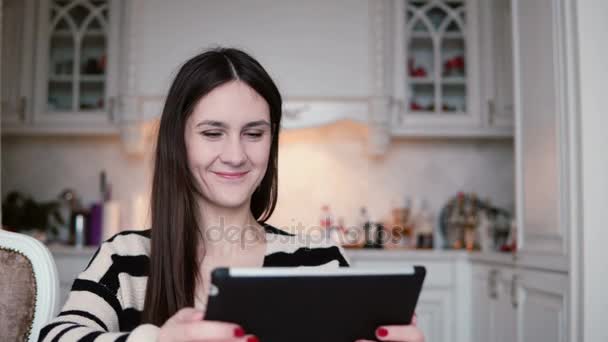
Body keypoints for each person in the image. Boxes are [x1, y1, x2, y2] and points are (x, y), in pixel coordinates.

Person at [38, 47, 425, 342]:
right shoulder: (124, 260)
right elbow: (54, 336)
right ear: (179, 141)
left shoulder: (319, 262)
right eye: (212, 133)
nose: (237, 155)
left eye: (254, 133)